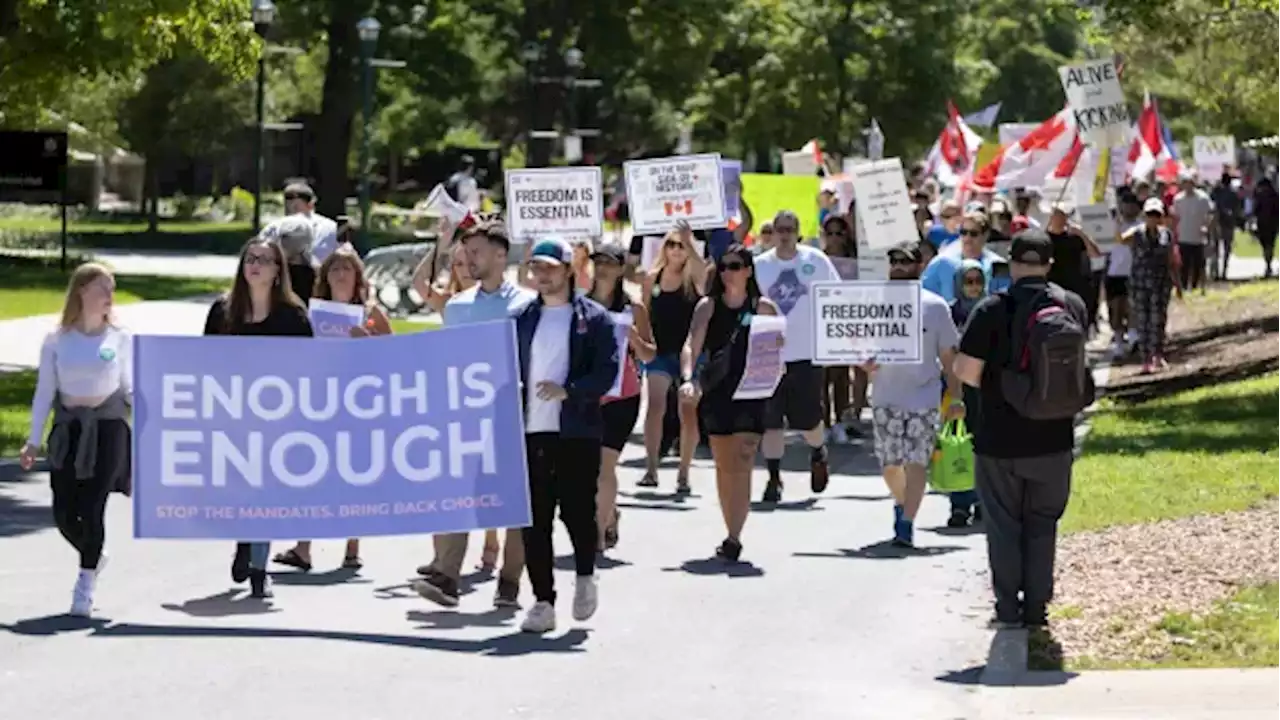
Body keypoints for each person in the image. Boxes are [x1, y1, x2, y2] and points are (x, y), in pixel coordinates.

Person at [952, 229, 1090, 629]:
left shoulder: (991, 309)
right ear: (1049, 264)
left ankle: (1008, 607)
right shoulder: (1073, 305)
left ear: (1011, 263)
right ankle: (1037, 608)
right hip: (1054, 438)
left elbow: (966, 371)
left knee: (1003, 525)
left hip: (1000, 440)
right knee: (1043, 523)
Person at [412, 221, 535, 609]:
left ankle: (510, 582)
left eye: (478, 251)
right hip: (466, 418)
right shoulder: (458, 307)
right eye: (467, 253)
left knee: (516, 503)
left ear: (502, 255)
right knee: (457, 494)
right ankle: (448, 576)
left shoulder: (527, 306)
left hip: (515, 417)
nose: (469, 259)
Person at [513, 237, 619, 633]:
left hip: (577, 431)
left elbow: (606, 372)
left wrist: (570, 391)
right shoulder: (522, 318)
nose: (542, 275)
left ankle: (585, 576)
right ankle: (542, 600)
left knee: (576, 511)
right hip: (532, 431)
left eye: (550, 268)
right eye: (536, 268)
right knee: (535, 520)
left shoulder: (594, 319)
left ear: (568, 270)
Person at [204, 236, 314, 599]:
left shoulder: (293, 316)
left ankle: (259, 570)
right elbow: (201, 363)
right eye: (250, 258)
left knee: (265, 493)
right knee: (239, 491)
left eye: (264, 260)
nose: (255, 265)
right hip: (233, 417)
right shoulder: (223, 311)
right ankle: (244, 540)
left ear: (277, 270)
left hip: (276, 421)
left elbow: (307, 370)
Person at [19, 263, 132, 617]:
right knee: (64, 512)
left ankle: (84, 585)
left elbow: (129, 386)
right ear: (82, 291)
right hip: (69, 430)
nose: (109, 297)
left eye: (112, 290)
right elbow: (44, 393)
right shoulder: (57, 340)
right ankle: (94, 553)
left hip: (108, 429)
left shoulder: (119, 337)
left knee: (93, 506)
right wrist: (33, 440)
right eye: (103, 289)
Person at [272, 246, 392, 573]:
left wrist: (368, 342)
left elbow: (396, 357)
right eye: (334, 269)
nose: (340, 275)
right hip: (320, 403)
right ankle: (303, 548)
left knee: (354, 477)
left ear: (357, 277)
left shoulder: (373, 313)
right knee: (312, 473)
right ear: (325, 277)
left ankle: (352, 548)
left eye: (347, 269)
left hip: (359, 405)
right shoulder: (312, 315)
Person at [681, 244, 781, 561]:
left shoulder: (763, 307)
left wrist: (779, 357)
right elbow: (690, 346)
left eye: (736, 266)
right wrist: (688, 378)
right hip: (719, 393)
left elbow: (779, 348)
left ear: (748, 271)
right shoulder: (707, 307)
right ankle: (730, 529)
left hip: (753, 393)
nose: (728, 272)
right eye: (724, 266)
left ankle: (735, 535)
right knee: (725, 466)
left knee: (743, 460)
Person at [860, 242, 962, 547]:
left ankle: (906, 523)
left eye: (906, 262)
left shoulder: (935, 307)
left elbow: (948, 358)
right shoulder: (873, 303)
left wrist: (955, 397)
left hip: (924, 396)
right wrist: (863, 360)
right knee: (891, 464)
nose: (899, 268)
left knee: (917, 461)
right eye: (894, 262)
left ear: (920, 266)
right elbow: (858, 344)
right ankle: (903, 503)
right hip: (885, 396)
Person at [754, 210, 838, 503]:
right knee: (771, 419)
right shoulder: (759, 266)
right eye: (780, 229)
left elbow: (836, 298)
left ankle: (818, 451)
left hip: (806, 353)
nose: (786, 234)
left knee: (807, 419)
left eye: (791, 228)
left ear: (799, 231)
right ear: (773, 232)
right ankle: (774, 479)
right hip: (769, 354)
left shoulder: (815, 261)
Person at [589, 243, 656, 551]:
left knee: (605, 466)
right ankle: (609, 513)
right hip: (587, 397)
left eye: (608, 263)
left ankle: (598, 535)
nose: (602, 268)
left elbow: (650, 354)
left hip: (622, 395)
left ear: (619, 269)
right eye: (597, 262)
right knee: (584, 469)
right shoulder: (580, 304)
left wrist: (633, 338)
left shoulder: (634, 308)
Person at [639, 224, 706, 493]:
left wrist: (690, 242)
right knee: (655, 406)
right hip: (659, 352)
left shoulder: (693, 278)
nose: (676, 250)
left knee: (687, 412)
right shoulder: (651, 278)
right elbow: (643, 312)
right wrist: (642, 346)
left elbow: (704, 272)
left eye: (680, 246)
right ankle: (652, 468)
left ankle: (683, 473)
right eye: (671, 244)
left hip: (689, 353)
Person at [946, 259, 988, 527]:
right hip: (955, 387)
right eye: (968, 281)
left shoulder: (989, 310)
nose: (973, 287)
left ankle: (983, 500)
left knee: (983, 447)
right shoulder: (949, 313)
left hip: (985, 388)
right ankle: (959, 504)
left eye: (978, 281)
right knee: (956, 447)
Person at [1124, 198, 1183, 374]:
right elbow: (1119, 239)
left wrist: (1178, 284)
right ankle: (1146, 358)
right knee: (1142, 321)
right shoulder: (1136, 234)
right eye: (1150, 214)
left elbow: (1172, 260)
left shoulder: (1167, 234)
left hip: (1161, 283)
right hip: (1140, 284)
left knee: (1158, 320)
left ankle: (1158, 353)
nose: (1153, 218)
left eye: (1156, 215)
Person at [819, 214, 863, 442]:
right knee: (822, 378)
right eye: (830, 233)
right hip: (823, 322)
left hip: (847, 322)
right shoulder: (818, 259)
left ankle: (841, 422)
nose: (835, 238)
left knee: (842, 375)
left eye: (839, 232)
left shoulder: (855, 261)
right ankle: (824, 423)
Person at [921, 211, 1003, 303]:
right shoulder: (941, 262)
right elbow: (923, 295)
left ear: (986, 235)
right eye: (963, 232)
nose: (967, 239)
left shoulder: (997, 264)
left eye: (973, 234)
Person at [1106, 192, 1143, 359]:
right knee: (1116, 310)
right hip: (1114, 273)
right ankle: (1119, 343)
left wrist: (1117, 228)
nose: (1128, 208)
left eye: (1131, 205)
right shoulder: (1112, 224)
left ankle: (1133, 337)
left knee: (1132, 307)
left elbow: (1124, 240)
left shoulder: (1139, 226)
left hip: (1132, 272)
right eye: (1125, 204)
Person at [275, 182, 340, 265]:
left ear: (310, 205)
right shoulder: (278, 228)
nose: (291, 212)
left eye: (296, 207)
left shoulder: (330, 228)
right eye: (287, 208)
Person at [1172, 174, 1214, 293]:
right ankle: (1184, 286)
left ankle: (1195, 287)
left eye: (1190, 183)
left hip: (1198, 238)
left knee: (1198, 264)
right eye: (1185, 183)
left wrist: (1207, 227)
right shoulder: (1178, 199)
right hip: (1183, 236)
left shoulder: (1203, 198)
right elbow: (1175, 217)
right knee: (1184, 264)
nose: (1188, 186)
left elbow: (1211, 214)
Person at [272, 215, 318, 304]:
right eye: (282, 237)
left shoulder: (315, 274)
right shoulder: (274, 272)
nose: (283, 242)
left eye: (288, 237)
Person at [1210, 172, 1242, 279]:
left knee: (1215, 248)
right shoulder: (1233, 193)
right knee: (1226, 249)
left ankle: (1215, 271)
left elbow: (1211, 205)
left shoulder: (1216, 191)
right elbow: (1238, 209)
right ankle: (1224, 271)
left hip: (1217, 222)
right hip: (1229, 223)